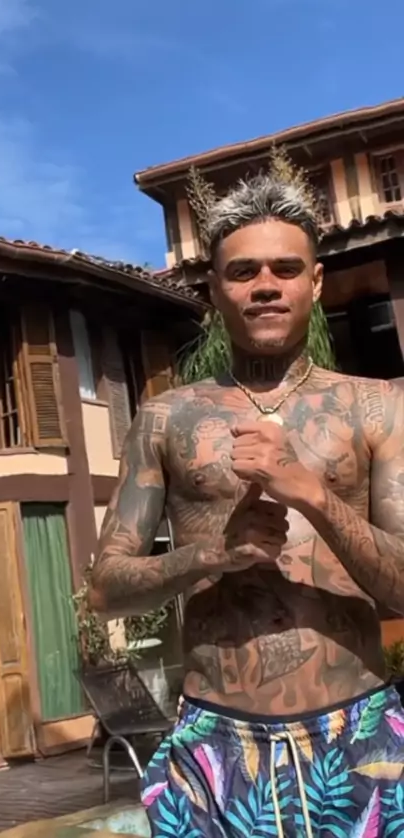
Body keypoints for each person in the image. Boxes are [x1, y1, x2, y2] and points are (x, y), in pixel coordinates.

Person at [90, 174, 404, 837]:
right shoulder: (164, 418)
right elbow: (106, 590)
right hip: (216, 747)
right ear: (214, 290)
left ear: (315, 282)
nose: (266, 284)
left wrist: (314, 495)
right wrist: (213, 554)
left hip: (361, 736)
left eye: (285, 269)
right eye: (243, 271)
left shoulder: (379, 407)